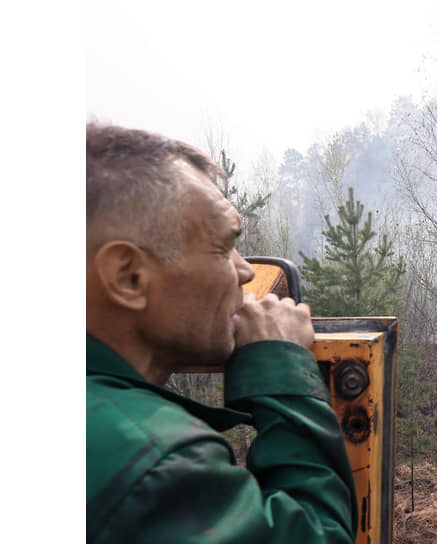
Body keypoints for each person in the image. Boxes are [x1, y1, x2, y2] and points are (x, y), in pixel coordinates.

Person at [86, 122, 356, 543]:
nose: (246, 270)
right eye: (223, 247)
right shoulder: (158, 463)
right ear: (128, 277)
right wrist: (283, 371)